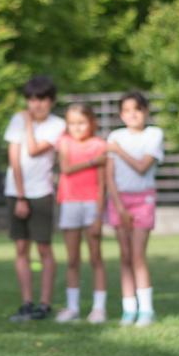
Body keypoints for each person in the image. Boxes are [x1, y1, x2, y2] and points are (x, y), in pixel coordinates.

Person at [4, 75, 67, 322]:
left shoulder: (58, 125)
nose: (36, 104)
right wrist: (20, 196)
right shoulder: (16, 120)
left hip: (42, 192)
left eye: (41, 99)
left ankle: (45, 303)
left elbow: (33, 149)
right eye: (31, 99)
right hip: (16, 192)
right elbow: (14, 159)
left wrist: (29, 125)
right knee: (21, 247)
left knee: (44, 248)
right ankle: (27, 301)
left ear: (51, 101)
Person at [106, 91, 164, 327]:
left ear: (145, 112)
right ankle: (128, 309)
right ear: (121, 114)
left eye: (137, 110)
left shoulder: (154, 134)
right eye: (127, 110)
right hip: (119, 201)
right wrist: (119, 206)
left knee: (138, 256)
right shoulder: (115, 135)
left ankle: (146, 310)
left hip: (143, 200)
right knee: (125, 257)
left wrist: (119, 151)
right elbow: (109, 175)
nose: (132, 115)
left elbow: (142, 167)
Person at [54, 103, 108, 324]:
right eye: (72, 123)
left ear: (92, 122)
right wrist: (93, 161)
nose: (77, 128)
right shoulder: (64, 142)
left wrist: (98, 214)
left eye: (82, 123)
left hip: (91, 204)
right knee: (72, 259)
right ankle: (73, 307)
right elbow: (65, 168)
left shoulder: (100, 145)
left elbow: (103, 183)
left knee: (95, 257)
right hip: (69, 203)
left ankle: (99, 308)